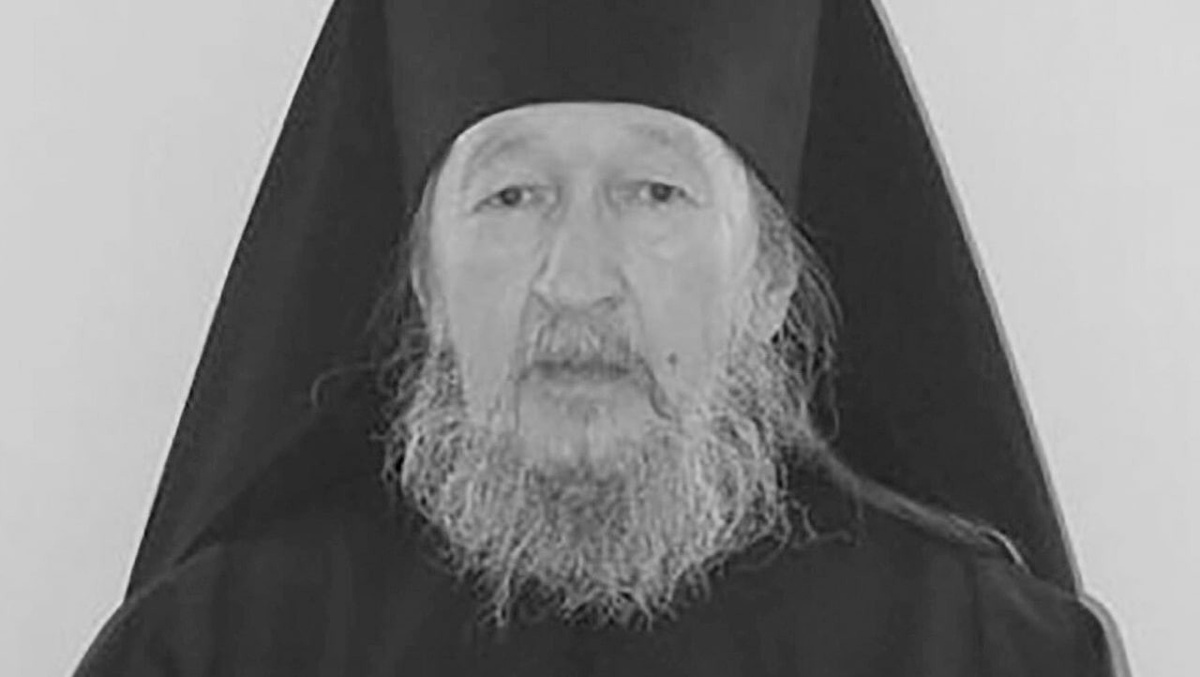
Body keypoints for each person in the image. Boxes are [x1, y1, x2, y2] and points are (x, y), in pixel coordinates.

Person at [74, 0, 1121, 674]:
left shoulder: (985, 656)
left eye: (654, 192)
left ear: (770, 282)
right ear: (425, 280)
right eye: (513, 195)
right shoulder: (214, 650)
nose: (575, 282)